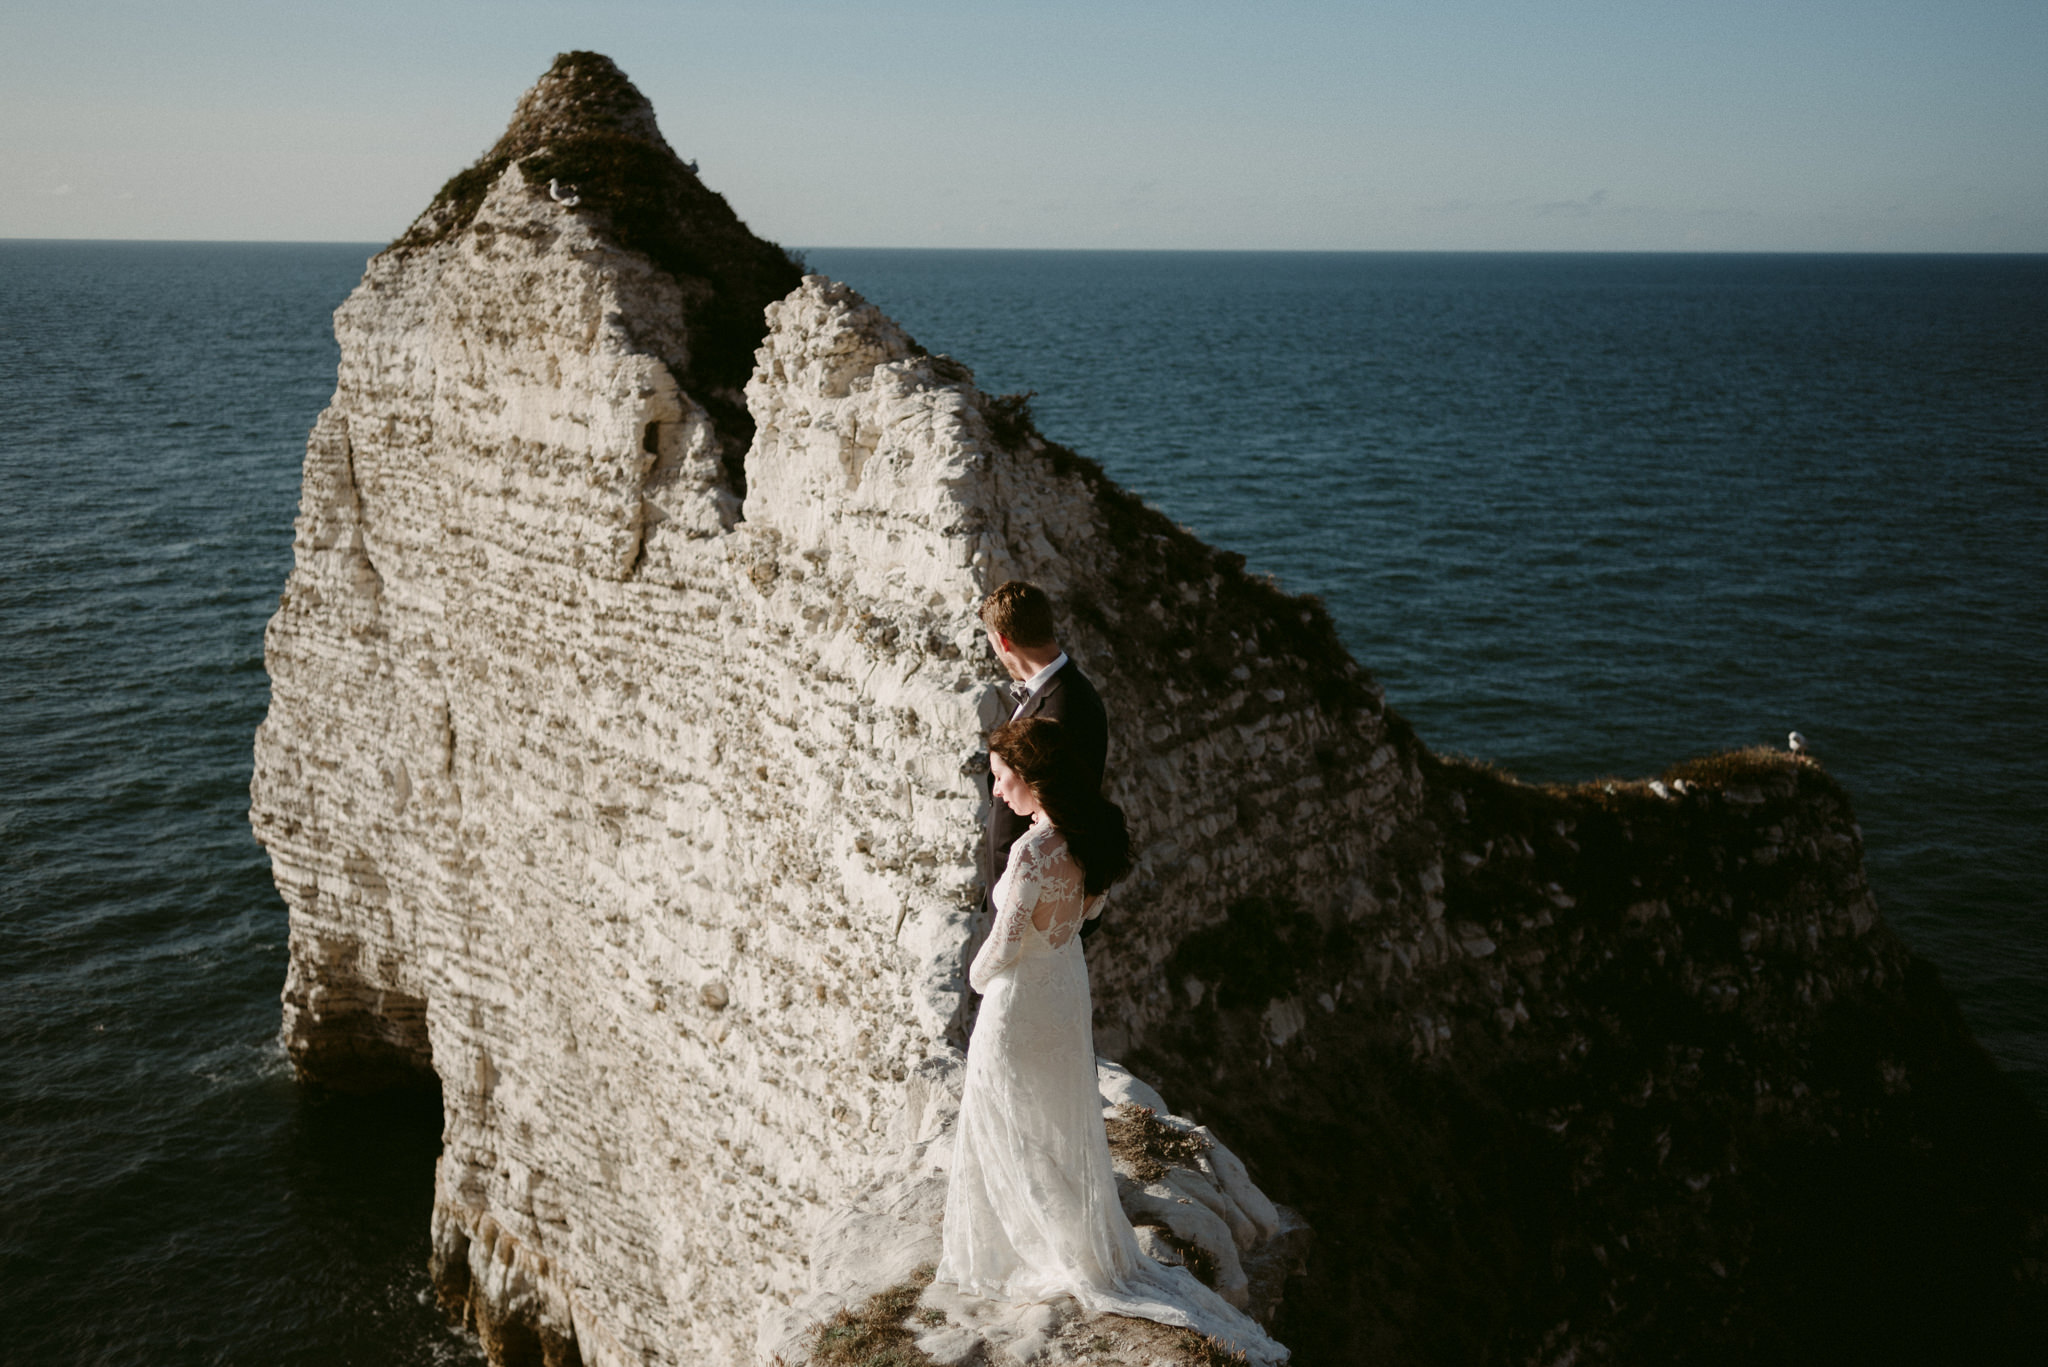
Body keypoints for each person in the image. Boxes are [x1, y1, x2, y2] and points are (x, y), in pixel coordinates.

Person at [936, 718, 1289, 1362]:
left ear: (1033, 778)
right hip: (1066, 986)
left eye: (1001, 776)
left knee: (1005, 1110)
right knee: (1057, 1107)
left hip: (1020, 994)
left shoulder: (1032, 851)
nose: (996, 791)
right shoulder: (1091, 836)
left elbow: (1006, 941)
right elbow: (1086, 913)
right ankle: (1071, 1231)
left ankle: (1027, 1241)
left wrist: (975, 976)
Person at [977, 581, 1112, 938]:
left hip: (1034, 908)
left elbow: (1068, 811)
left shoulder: (1064, 708)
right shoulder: (1057, 692)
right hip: (1018, 891)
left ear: (1003, 641)